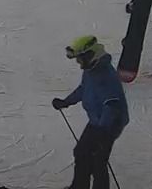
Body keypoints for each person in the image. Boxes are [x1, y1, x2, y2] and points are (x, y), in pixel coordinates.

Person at [51, 35, 128, 189]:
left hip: (110, 123)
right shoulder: (91, 70)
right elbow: (84, 89)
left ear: (90, 55)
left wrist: (103, 133)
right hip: (97, 121)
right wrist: (66, 102)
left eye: (80, 59)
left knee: (98, 160)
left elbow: (112, 106)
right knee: (81, 152)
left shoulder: (106, 75)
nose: (79, 64)